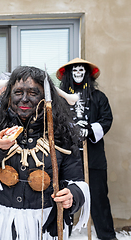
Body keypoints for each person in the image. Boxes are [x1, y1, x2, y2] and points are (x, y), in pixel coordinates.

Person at [0, 66, 90, 240]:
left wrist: (72, 195)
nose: (24, 99)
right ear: (9, 97)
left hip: (43, 226)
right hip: (1, 224)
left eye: (33, 93)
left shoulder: (62, 135)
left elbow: (77, 181)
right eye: (18, 92)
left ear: (46, 98)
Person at [57, 58, 117, 240]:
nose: (77, 74)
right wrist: (70, 129)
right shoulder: (60, 97)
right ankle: (60, 233)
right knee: (64, 195)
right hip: (67, 155)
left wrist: (89, 130)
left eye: (81, 71)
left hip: (93, 156)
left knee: (99, 196)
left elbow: (107, 120)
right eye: (74, 71)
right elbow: (53, 120)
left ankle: (106, 235)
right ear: (69, 74)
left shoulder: (98, 97)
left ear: (86, 74)